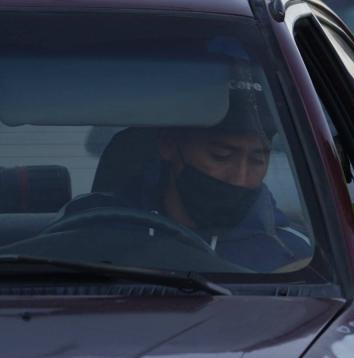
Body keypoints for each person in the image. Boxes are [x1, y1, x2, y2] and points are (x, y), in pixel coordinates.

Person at [61, 81, 313, 272]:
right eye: (221, 156)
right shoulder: (88, 229)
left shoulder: (295, 254)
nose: (240, 177)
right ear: (169, 145)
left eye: (257, 160)